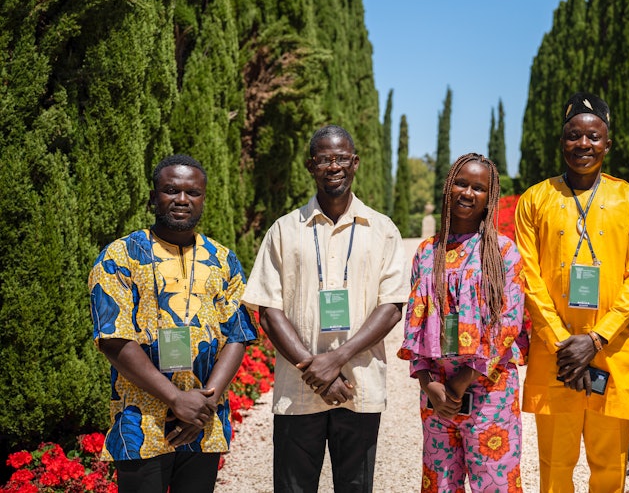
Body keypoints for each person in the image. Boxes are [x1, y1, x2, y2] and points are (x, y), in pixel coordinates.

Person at [243, 124, 408, 493]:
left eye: (341, 158)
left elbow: (393, 305)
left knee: (355, 486)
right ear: (310, 166)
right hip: (297, 392)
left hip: (359, 388)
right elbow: (269, 310)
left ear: (356, 163)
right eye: (324, 159)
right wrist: (314, 368)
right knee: (292, 487)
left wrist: (336, 360)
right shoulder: (284, 230)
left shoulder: (383, 230)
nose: (333, 166)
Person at [88, 154, 259, 493]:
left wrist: (204, 403)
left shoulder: (223, 259)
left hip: (203, 424)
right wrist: (175, 399)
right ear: (154, 198)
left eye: (193, 192)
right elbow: (113, 338)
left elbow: (237, 334)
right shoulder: (119, 257)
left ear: (203, 199)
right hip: (142, 423)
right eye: (171, 190)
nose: (182, 200)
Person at [514, 92, 629, 493]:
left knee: (610, 468)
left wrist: (594, 338)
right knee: (555, 468)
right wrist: (563, 343)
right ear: (562, 141)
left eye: (594, 137)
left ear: (608, 143)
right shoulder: (535, 200)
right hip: (555, 357)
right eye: (575, 136)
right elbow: (527, 276)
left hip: (611, 352)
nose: (584, 145)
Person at [398, 153, 529, 492]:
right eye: (461, 183)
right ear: (448, 187)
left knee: (495, 485)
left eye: (478, 188)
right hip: (438, 394)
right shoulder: (427, 252)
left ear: (490, 197)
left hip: (491, 393)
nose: (467, 193)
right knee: (440, 484)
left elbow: (508, 325)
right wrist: (429, 384)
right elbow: (414, 325)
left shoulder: (503, 253)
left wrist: (461, 382)